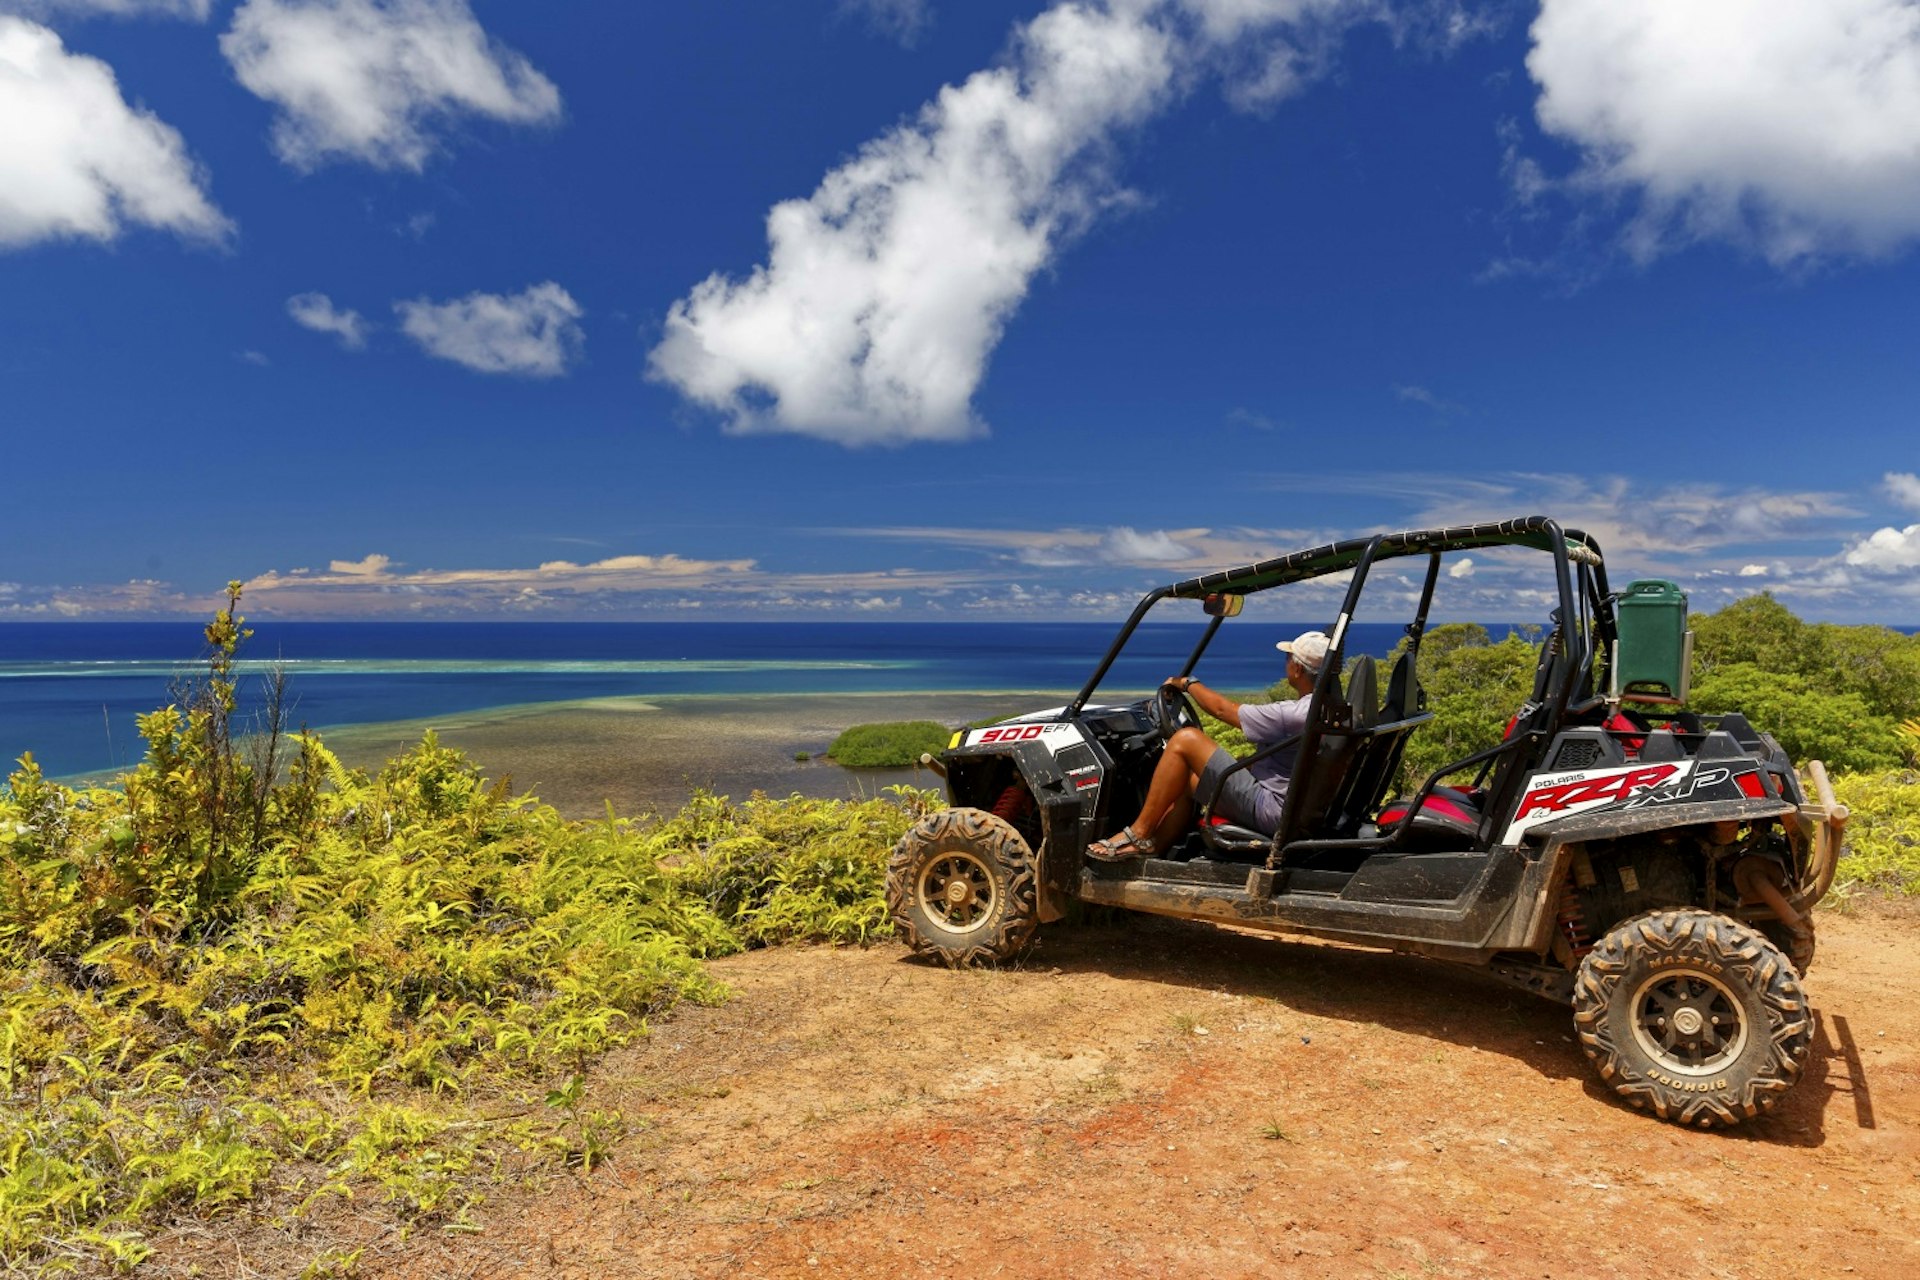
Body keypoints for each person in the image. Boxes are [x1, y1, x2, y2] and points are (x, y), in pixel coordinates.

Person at [1087, 630, 1330, 861]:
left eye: (1288, 657)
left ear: (1297, 668)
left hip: (1271, 810)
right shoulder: (1327, 709)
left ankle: (1139, 832)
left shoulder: (1296, 714)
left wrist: (1187, 684)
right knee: (1186, 777)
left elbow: (1223, 710)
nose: (1286, 662)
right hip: (1288, 807)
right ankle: (1154, 846)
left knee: (1186, 739)